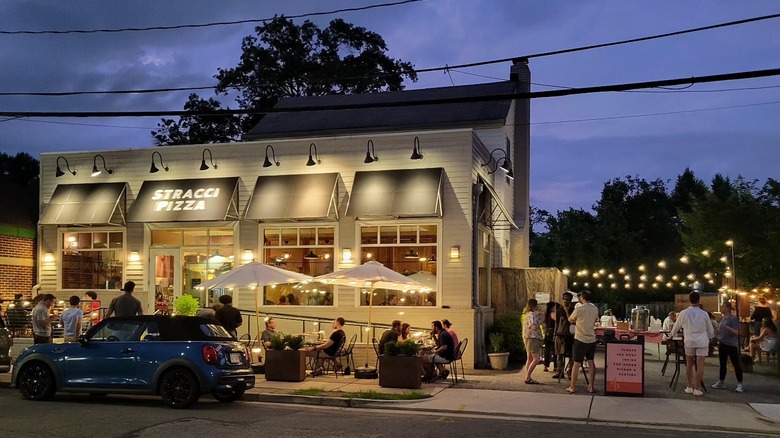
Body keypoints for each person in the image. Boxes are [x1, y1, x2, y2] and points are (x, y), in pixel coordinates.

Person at [670, 291, 715, 396]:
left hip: (689, 341)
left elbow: (676, 326)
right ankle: (697, 388)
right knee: (700, 365)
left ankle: (689, 386)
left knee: (689, 364)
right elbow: (711, 331)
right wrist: (710, 336)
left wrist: (671, 335)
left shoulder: (683, 313)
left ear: (689, 300)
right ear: (699, 300)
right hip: (702, 341)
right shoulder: (704, 314)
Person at [566, 290, 599, 394]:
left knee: (576, 363)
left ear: (582, 298)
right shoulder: (595, 308)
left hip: (580, 339)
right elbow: (594, 320)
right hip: (592, 339)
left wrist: (577, 320)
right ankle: (591, 386)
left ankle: (572, 386)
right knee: (591, 362)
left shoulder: (579, 309)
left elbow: (570, 320)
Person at [712, 302, 744, 393]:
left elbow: (737, 332)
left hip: (731, 344)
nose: (721, 309)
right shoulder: (721, 318)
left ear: (727, 308)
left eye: (722, 307)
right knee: (722, 363)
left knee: (735, 363)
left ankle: (740, 384)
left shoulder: (733, 319)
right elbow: (719, 330)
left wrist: (728, 328)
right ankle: (721, 381)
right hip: (722, 342)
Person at [552, 292, 575, 379]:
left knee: (571, 355)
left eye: (567, 299)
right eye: (564, 299)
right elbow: (556, 323)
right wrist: (554, 334)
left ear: (571, 300)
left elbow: (572, 321)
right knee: (559, 354)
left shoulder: (573, 310)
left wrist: (566, 311)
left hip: (570, 335)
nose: (566, 301)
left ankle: (570, 372)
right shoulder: (559, 310)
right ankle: (560, 371)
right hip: (560, 334)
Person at [523, 299, 543, 384]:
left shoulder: (527, 314)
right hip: (532, 337)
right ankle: (527, 377)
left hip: (527, 337)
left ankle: (528, 376)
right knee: (536, 359)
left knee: (530, 358)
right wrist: (541, 321)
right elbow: (533, 328)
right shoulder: (532, 315)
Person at [542, 302, 556, 372]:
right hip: (553, 332)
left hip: (547, 332)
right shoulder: (553, 314)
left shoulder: (546, 314)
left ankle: (545, 366)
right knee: (555, 350)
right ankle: (555, 366)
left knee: (547, 350)